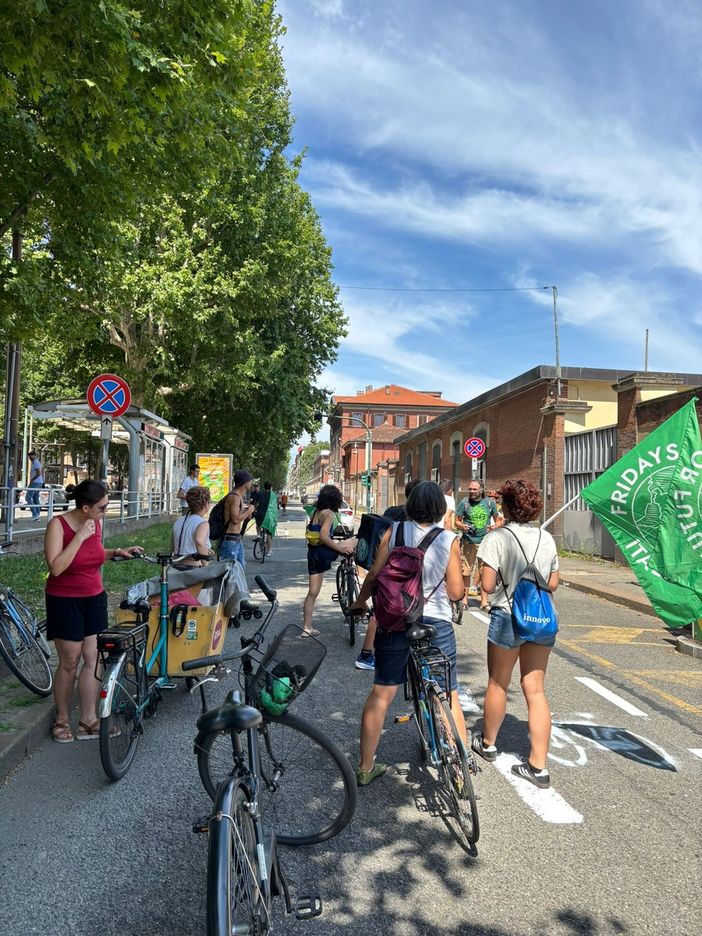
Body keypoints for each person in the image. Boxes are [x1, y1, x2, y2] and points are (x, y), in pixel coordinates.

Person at [349, 480, 467, 786]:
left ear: (410, 504)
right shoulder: (448, 539)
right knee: (448, 693)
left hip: (396, 620)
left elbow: (374, 574)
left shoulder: (394, 531)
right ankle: (459, 769)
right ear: (441, 509)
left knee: (381, 692)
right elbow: (455, 592)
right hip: (435, 622)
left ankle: (364, 767)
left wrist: (360, 602)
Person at [473, 479, 559, 789]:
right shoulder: (547, 539)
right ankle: (538, 766)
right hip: (540, 618)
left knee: (498, 681)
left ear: (507, 506)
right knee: (535, 689)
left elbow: (485, 585)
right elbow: (552, 583)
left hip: (508, 615)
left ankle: (488, 743)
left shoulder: (497, 538)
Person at [43, 480, 143, 742]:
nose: (105, 511)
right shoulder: (58, 525)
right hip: (64, 600)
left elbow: (94, 554)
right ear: (85, 507)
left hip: (94, 598)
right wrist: (79, 536)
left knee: (93, 658)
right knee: (69, 661)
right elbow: (56, 567)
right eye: (102, 507)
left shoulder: (95, 523)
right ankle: (61, 719)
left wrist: (115, 552)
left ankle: (88, 720)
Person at [354, 478, 421, 670]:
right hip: (403, 573)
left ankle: (367, 653)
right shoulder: (418, 520)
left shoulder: (392, 511)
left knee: (381, 610)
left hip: (384, 566)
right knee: (388, 612)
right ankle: (366, 654)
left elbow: (379, 535)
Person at [302, 484, 355, 637]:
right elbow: (324, 536)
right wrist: (339, 549)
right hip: (324, 552)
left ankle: (307, 628)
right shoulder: (329, 514)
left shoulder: (316, 512)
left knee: (312, 593)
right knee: (356, 539)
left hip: (312, 554)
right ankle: (354, 572)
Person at [455, 480, 501, 611]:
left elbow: (498, 520)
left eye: (474, 489)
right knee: (466, 571)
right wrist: (462, 526)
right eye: (470, 489)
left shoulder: (489, 503)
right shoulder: (464, 503)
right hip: (468, 541)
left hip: (485, 542)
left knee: (484, 571)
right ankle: (464, 601)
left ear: (481, 490)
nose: (471, 491)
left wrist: (495, 527)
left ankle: (484, 602)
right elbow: (456, 521)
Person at [219, 470, 255, 567]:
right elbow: (235, 520)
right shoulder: (234, 497)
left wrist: (246, 512)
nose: (251, 483)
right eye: (250, 481)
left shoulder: (239, 496)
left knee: (240, 568)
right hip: (230, 539)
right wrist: (249, 510)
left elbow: (239, 517)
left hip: (236, 538)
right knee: (230, 571)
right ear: (245, 482)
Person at [172, 486, 213, 566]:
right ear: (206, 504)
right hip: (193, 569)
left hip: (176, 566)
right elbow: (199, 542)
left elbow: (173, 547)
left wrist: (206, 549)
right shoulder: (202, 523)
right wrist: (206, 566)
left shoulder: (179, 521)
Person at [27, 450, 44, 521]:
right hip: (39, 482)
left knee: (28, 497)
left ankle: (35, 514)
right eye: (29, 455)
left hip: (36, 483)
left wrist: (32, 480)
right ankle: (37, 516)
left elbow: (39, 472)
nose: (30, 456)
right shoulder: (35, 463)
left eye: (32, 455)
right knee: (35, 498)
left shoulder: (36, 463)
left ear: (35, 455)